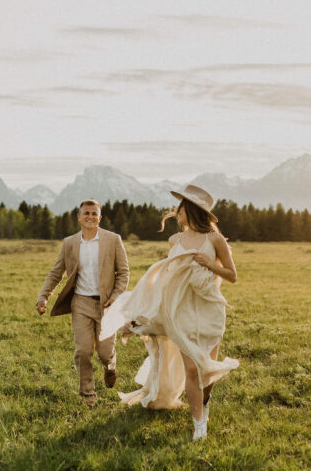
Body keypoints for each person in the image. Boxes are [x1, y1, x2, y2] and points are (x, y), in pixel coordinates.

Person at [102, 184, 239, 441]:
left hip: (209, 311)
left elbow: (232, 275)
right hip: (181, 312)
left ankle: (204, 401)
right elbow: (168, 278)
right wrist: (145, 312)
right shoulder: (174, 240)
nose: (176, 212)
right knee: (191, 369)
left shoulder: (215, 240)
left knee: (206, 373)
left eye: (180, 207)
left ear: (192, 209)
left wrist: (210, 264)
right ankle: (200, 424)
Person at [36, 199, 130, 406]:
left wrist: (115, 295)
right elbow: (56, 272)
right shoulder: (70, 243)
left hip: (107, 305)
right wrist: (43, 296)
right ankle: (88, 396)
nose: (90, 217)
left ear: (100, 218)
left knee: (104, 353)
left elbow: (123, 273)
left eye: (94, 214)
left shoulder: (113, 240)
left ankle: (110, 365)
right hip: (80, 302)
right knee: (84, 351)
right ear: (79, 217)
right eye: (86, 213)